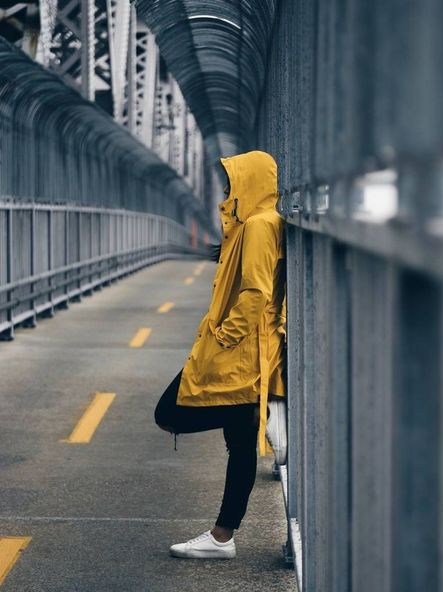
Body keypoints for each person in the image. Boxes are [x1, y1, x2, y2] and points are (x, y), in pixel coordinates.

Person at [154, 150, 287, 560]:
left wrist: (224, 337)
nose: (227, 190)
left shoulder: (261, 226)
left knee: (170, 412)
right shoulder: (253, 223)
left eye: (232, 181)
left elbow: (255, 292)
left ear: (249, 181)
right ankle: (222, 536)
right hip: (250, 351)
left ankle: (223, 535)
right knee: (241, 442)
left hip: (242, 353)